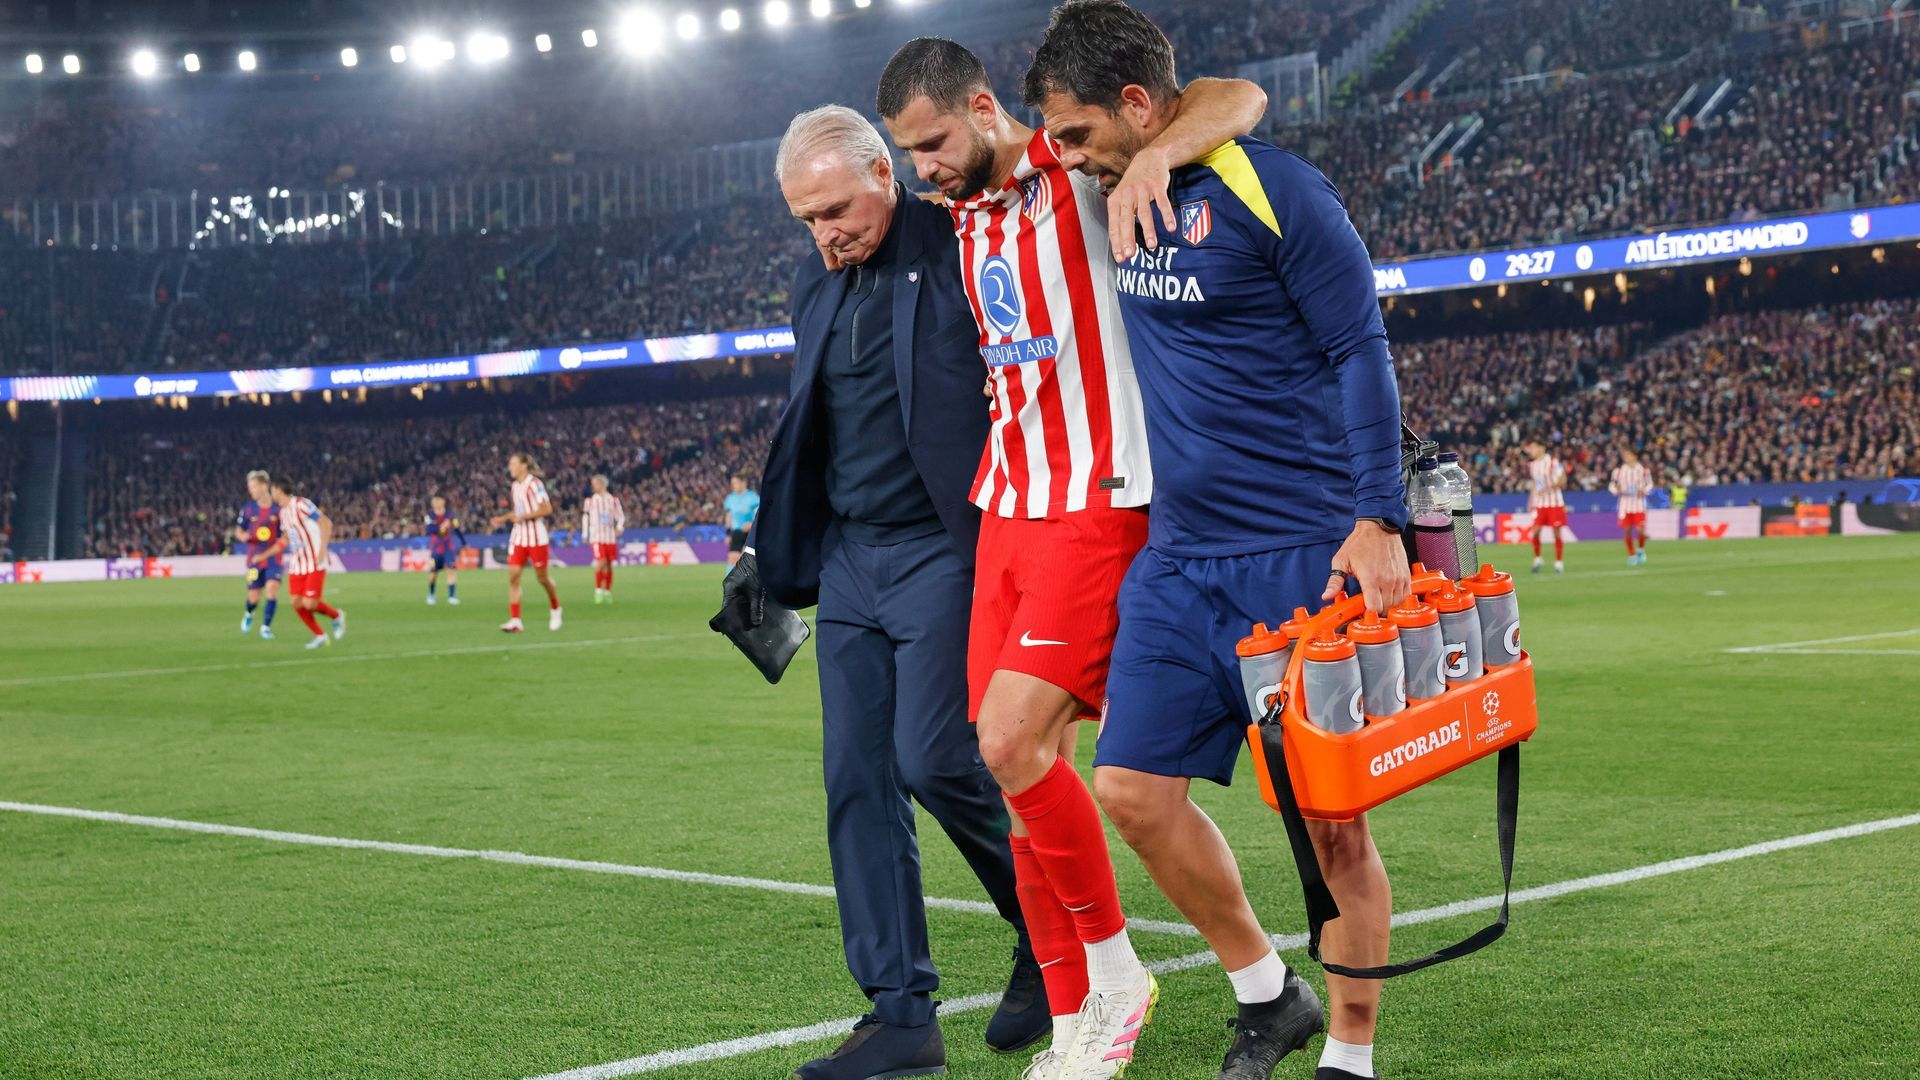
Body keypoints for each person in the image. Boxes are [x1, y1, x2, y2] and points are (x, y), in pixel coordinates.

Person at [1024, 3, 1413, 1078]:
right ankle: (1265, 991)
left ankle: (1351, 1054)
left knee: (1333, 826)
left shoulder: (1275, 189)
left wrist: (1377, 520)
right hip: (1181, 558)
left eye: (1075, 134)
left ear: (1139, 107)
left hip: (1304, 552)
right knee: (1132, 792)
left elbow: (1359, 352)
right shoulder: (1102, 180)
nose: (1062, 157)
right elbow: (1194, 105)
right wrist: (1142, 158)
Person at [878, 37, 1266, 1080]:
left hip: (1101, 499)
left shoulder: (1075, 159)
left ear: (983, 105)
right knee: (1008, 772)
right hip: (1008, 504)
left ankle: (1118, 972)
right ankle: (1072, 1018)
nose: (925, 167)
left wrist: (1154, 157)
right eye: (906, 154)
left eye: (933, 142)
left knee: (1014, 744)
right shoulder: (958, 212)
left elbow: (1239, 94)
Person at [733, 104, 1044, 1080]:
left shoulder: (959, 239)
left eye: (835, 208)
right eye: (807, 220)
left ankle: (1047, 929)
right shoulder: (811, 279)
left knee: (936, 761)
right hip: (850, 560)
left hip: (946, 546)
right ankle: (902, 1012)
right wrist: (776, 548)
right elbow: (811, 418)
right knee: (855, 783)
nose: (825, 233)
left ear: (884, 170)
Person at [255, 475, 347, 650]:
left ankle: (337, 616)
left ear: (278, 490)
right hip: (298, 563)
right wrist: (264, 555)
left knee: (310, 603)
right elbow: (286, 539)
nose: (271, 493)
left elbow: (326, 523)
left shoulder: (301, 504)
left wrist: (322, 550)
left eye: (272, 490)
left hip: (314, 560)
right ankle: (320, 635)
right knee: (296, 602)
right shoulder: (283, 513)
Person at [491, 451, 562, 633]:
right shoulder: (515, 486)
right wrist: (504, 518)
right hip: (518, 537)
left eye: (513, 464)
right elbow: (518, 510)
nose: (510, 468)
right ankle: (516, 620)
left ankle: (555, 608)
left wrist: (523, 516)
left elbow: (546, 508)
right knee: (513, 577)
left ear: (523, 465)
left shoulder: (535, 484)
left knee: (542, 578)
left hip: (536, 538)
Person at [235, 470, 282, 640]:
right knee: (253, 596)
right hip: (253, 560)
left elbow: (284, 535)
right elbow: (238, 530)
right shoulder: (248, 509)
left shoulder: (278, 510)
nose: (251, 490)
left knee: (272, 589)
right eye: (250, 487)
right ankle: (249, 614)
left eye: (253, 486)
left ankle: (265, 627)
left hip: (273, 558)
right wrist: (243, 536)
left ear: (264, 486)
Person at [1524, 440, 1568, 573]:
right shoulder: (1532, 465)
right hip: (1540, 504)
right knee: (1535, 532)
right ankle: (1538, 558)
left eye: (1533, 447)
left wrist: (1549, 488)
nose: (1531, 451)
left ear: (1541, 448)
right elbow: (1536, 485)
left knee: (1556, 533)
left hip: (1555, 503)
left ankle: (1559, 562)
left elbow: (1563, 479)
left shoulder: (1553, 462)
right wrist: (1530, 502)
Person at [582, 474, 627, 604]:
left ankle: (607, 591)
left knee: (608, 564)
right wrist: (585, 534)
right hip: (596, 536)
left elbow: (621, 516)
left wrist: (619, 527)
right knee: (601, 561)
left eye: (595, 484)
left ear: (603, 484)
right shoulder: (589, 501)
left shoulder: (613, 500)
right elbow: (586, 518)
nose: (593, 486)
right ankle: (598, 591)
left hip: (610, 537)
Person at [1608, 450, 1654, 566]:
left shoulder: (1643, 470)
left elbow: (1650, 484)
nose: (1626, 457)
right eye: (1625, 455)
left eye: (1628, 455)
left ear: (1634, 456)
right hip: (1625, 505)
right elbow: (1612, 485)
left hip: (1638, 504)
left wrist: (1644, 491)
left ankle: (1641, 549)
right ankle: (1632, 554)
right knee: (1627, 531)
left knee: (1640, 530)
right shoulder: (1618, 471)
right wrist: (1616, 490)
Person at [424, 495, 466, 605]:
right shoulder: (429, 516)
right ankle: (431, 594)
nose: (435, 502)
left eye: (437, 499)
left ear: (443, 501)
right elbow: (428, 530)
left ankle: (451, 597)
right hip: (435, 548)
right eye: (434, 500)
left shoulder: (450, 515)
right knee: (433, 573)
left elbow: (457, 529)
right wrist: (441, 527)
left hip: (448, 548)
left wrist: (464, 542)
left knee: (451, 570)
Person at [722, 474, 760, 568]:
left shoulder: (753, 497)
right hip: (737, 532)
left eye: (735, 483)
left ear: (743, 483)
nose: (733, 485)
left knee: (753, 560)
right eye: (732, 483)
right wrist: (728, 533)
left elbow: (760, 513)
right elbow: (728, 516)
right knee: (732, 559)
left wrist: (752, 524)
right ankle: (732, 582)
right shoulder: (730, 498)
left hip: (751, 532)